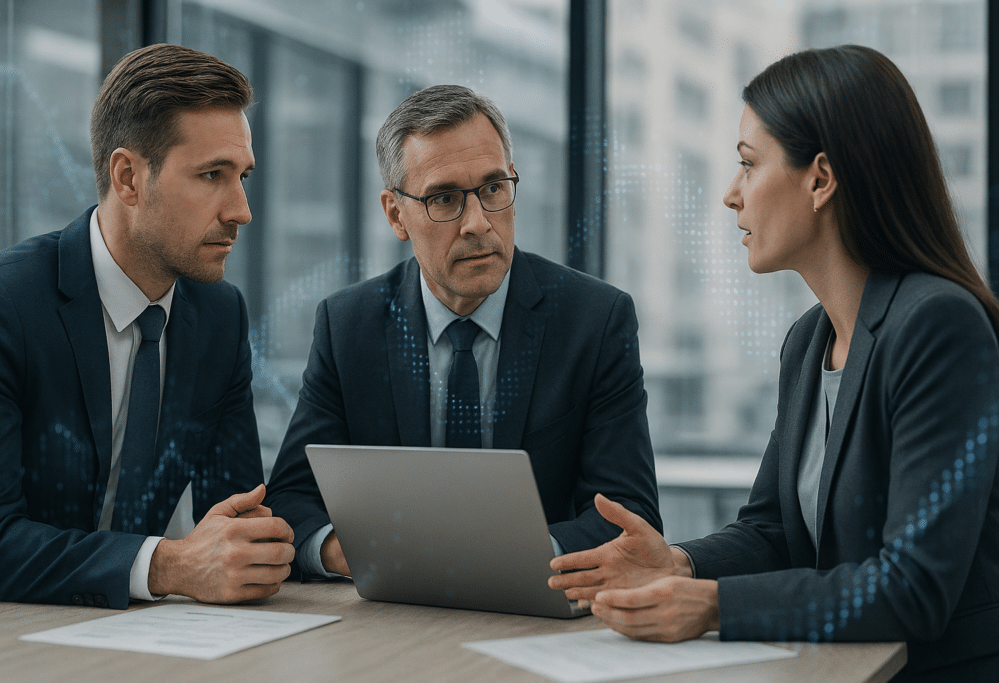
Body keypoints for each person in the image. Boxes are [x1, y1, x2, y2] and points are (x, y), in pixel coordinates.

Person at [548, 45, 999, 681]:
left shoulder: (939, 324)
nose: (730, 194)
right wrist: (679, 566)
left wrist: (712, 607)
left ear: (821, 179)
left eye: (748, 165)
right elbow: (773, 530)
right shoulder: (808, 340)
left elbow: (915, 587)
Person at [265, 84, 661, 579]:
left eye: (494, 189)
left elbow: (630, 515)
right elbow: (290, 499)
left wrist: (510, 555)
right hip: (394, 616)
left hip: (537, 612)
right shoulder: (349, 325)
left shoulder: (594, 320)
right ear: (395, 214)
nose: (477, 223)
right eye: (445, 199)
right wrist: (344, 550)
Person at [0, 43, 294, 609]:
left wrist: (255, 551)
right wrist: (170, 564)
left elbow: (236, 512)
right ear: (128, 178)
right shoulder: (13, 304)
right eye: (212, 175)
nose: (241, 210)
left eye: (243, 177)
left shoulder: (218, 316)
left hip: (148, 640)